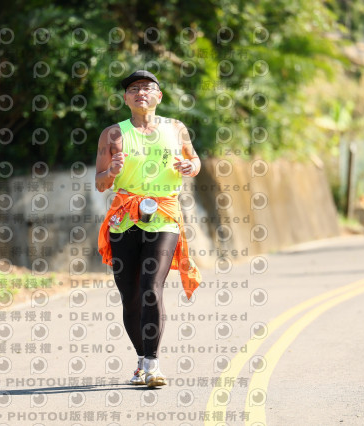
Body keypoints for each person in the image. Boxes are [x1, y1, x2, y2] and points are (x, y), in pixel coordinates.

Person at [95, 70, 202, 387]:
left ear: (159, 96)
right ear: (125, 98)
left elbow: (195, 161)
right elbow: (100, 183)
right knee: (129, 295)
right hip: (124, 218)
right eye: (133, 89)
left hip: (164, 215)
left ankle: (153, 365)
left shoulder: (176, 129)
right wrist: (111, 171)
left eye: (147, 88)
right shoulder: (113, 134)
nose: (140, 92)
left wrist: (190, 166)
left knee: (151, 288)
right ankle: (142, 361)